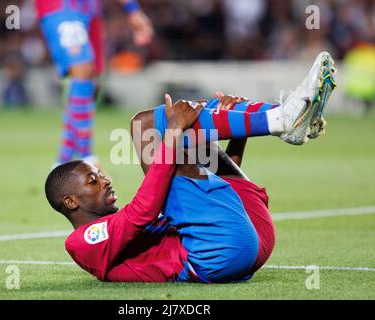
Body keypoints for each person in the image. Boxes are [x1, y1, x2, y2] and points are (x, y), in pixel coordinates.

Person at [44, 52, 336, 283]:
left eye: (101, 175)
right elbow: (143, 210)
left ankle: (281, 118)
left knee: (190, 139)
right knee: (144, 125)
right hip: (217, 255)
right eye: (93, 180)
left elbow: (217, 193)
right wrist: (172, 130)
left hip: (250, 237)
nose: (106, 181)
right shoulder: (82, 241)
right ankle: (278, 119)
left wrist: (238, 134)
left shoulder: (120, 229)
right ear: (70, 201)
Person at [35, 0, 153, 166]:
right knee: (82, 71)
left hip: (89, 9)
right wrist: (133, 11)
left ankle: (62, 162)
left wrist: (133, 10)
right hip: (62, 6)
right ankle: (87, 157)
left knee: (89, 80)